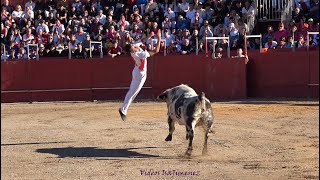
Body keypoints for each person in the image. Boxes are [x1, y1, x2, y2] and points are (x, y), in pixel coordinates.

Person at [118, 29, 161, 121]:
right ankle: (123, 109)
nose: (134, 45)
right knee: (133, 92)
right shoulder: (139, 54)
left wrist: (150, 36)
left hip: (136, 71)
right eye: (133, 46)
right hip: (140, 74)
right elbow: (156, 50)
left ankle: (124, 109)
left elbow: (142, 41)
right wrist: (159, 37)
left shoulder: (134, 48)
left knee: (132, 92)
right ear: (132, 49)